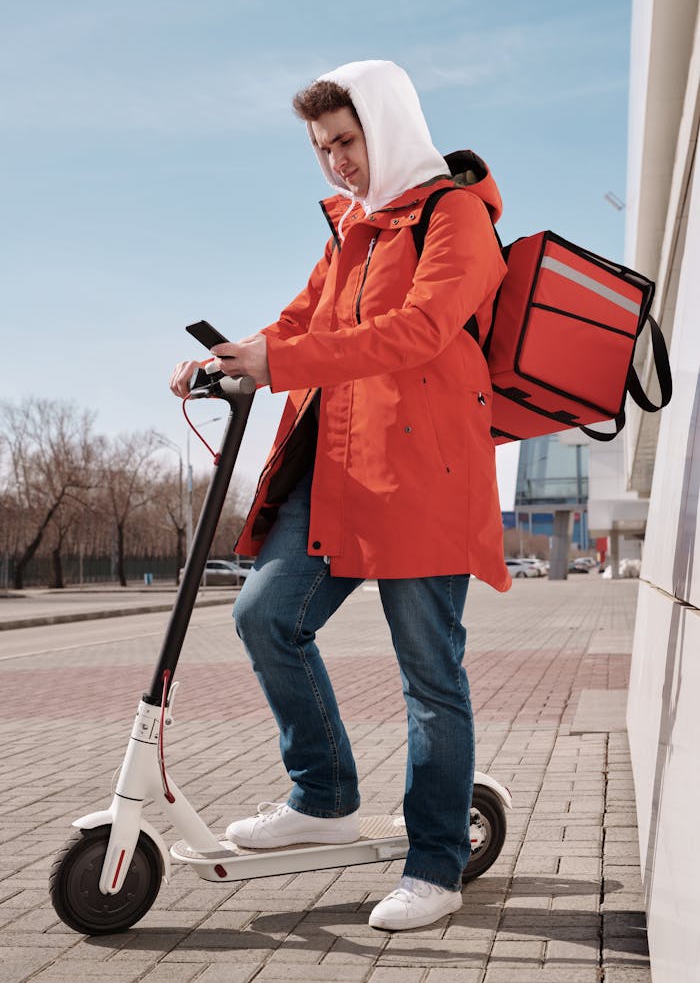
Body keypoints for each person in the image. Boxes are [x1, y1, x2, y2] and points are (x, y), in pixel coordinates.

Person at [170, 59, 511, 930]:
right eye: (322, 148)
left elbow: (419, 330)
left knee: (429, 678)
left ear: (387, 126)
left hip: (426, 480)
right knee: (264, 616)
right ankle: (323, 795)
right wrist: (226, 358)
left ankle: (436, 867)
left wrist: (279, 363)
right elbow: (299, 321)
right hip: (342, 473)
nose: (336, 163)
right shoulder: (351, 231)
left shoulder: (455, 216)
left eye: (347, 142)